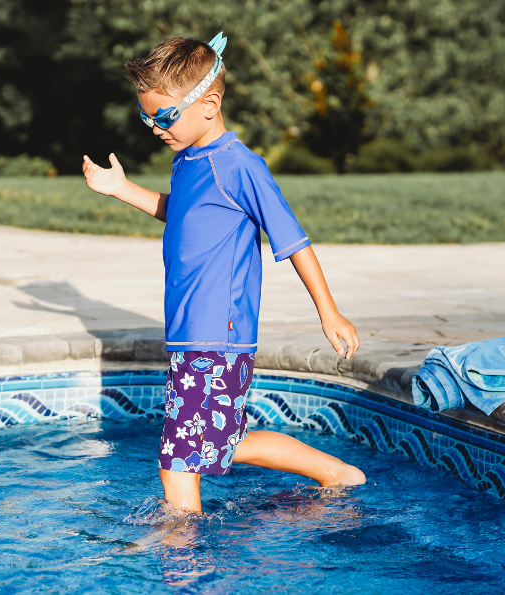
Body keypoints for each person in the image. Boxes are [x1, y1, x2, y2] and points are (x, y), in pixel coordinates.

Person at [82, 32, 366, 514]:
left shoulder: (240, 166)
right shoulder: (187, 160)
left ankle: (182, 551)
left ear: (209, 104)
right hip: (191, 332)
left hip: (217, 336)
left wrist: (329, 312)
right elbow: (185, 214)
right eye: (145, 116)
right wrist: (123, 189)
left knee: (178, 456)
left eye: (164, 116)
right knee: (224, 440)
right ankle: (338, 475)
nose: (154, 127)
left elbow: (292, 239)